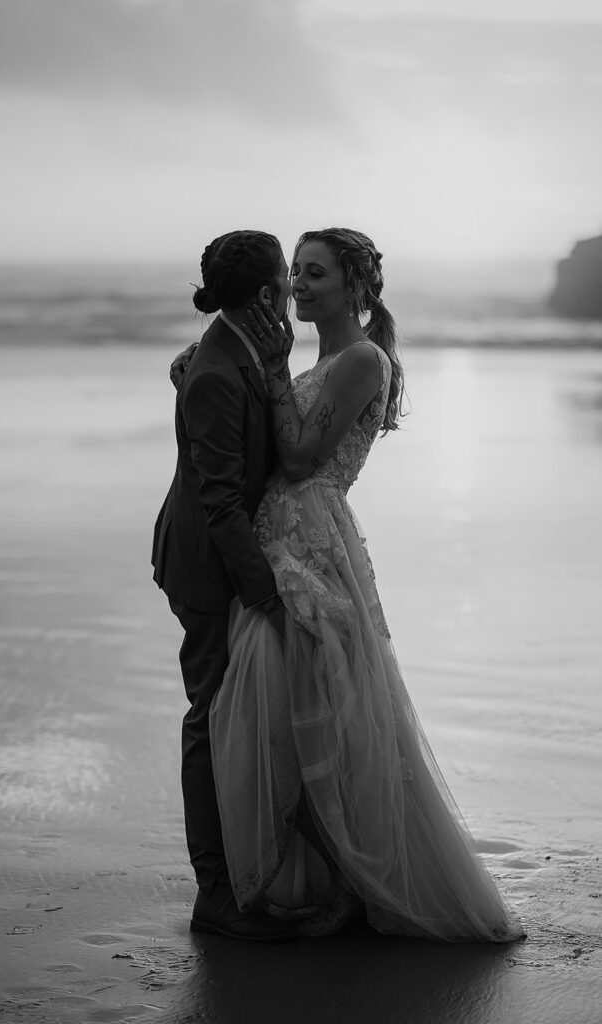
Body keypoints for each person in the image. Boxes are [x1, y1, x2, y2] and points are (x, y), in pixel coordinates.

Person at [205, 227, 525, 942]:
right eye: (294, 272)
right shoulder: (322, 359)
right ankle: (326, 878)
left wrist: (270, 367)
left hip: (312, 548)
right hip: (281, 538)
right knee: (284, 712)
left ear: (356, 286)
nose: (298, 285)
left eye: (314, 273)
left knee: (323, 716)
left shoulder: (360, 360)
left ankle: (355, 883)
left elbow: (296, 458)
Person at [151, 229, 296, 942]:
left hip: (225, 555)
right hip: (208, 567)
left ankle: (258, 868)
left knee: (232, 714)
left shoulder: (248, 351)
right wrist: (264, 592)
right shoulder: (212, 370)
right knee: (208, 721)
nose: (295, 292)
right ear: (267, 295)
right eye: (287, 283)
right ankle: (214, 893)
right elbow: (218, 502)